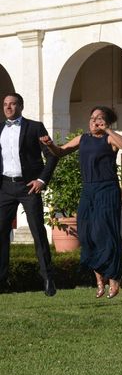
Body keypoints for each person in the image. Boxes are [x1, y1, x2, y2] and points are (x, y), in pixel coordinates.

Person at [41, 106, 122, 299]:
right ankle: (99, 279)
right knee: (86, 232)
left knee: (106, 233)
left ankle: (114, 277)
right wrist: (49, 145)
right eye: (92, 118)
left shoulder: (109, 138)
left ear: (107, 121)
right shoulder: (83, 138)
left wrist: (107, 129)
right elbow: (60, 152)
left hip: (107, 189)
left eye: (99, 118)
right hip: (88, 190)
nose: (94, 121)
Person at [0, 93, 58, 296]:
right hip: (5, 187)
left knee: (37, 232)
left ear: (21, 106)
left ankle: (48, 278)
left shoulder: (35, 127)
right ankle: (1, 282)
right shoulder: (0, 128)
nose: (8, 107)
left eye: (13, 104)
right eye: (5, 104)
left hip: (29, 187)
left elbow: (51, 155)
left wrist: (42, 180)